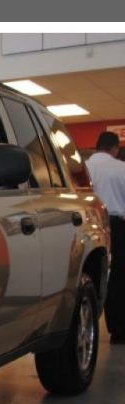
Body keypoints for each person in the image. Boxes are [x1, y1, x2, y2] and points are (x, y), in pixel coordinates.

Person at [86, 131, 125, 340]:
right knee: (118, 277)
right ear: (115, 148)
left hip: (88, 225)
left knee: (88, 276)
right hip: (116, 226)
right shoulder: (121, 168)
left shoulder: (83, 168)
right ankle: (118, 330)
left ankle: (86, 326)